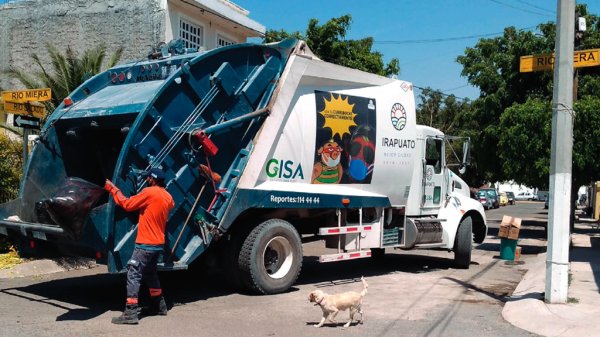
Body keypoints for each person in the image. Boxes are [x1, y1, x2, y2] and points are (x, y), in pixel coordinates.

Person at [104, 167, 175, 325]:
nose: (146, 180)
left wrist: (113, 189)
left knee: (133, 274)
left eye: (148, 178)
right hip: (158, 244)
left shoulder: (149, 192)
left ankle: (130, 313)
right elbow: (168, 205)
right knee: (150, 273)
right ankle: (159, 305)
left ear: (152, 179)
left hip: (146, 243)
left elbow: (127, 204)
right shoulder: (168, 197)